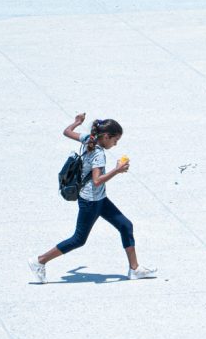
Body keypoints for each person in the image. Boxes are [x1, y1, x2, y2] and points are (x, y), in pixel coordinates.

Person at [29, 114, 156, 283]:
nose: (115, 144)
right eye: (115, 140)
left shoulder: (88, 139)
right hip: (91, 201)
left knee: (125, 225)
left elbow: (67, 132)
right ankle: (40, 261)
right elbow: (96, 181)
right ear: (106, 136)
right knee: (78, 239)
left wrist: (76, 123)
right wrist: (117, 170)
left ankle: (134, 269)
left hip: (100, 198)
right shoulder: (99, 154)